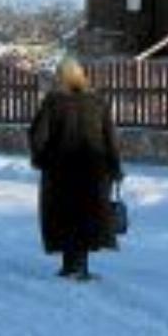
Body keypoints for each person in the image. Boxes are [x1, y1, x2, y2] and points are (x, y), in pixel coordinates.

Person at [28, 57, 123, 282]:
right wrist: (115, 167)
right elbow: (111, 138)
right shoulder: (98, 102)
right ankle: (79, 266)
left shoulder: (53, 102)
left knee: (65, 216)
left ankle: (72, 266)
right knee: (86, 216)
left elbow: (37, 136)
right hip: (95, 170)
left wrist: (41, 160)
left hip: (61, 170)